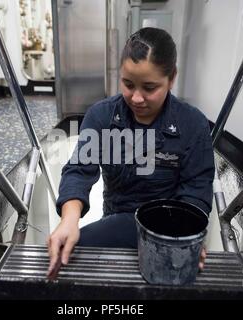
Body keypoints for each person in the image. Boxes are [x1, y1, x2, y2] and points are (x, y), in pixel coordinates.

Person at [47, 27, 215, 279]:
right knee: (68, 261)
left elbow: (196, 190)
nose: (136, 98)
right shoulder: (101, 116)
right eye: (128, 84)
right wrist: (69, 219)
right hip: (115, 223)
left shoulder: (193, 125)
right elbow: (79, 171)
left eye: (149, 87)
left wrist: (187, 238)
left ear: (172, 78)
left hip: (168, 231)